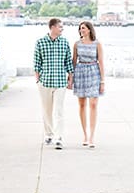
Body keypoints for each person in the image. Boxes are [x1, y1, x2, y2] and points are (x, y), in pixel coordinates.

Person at [34, 18, 74, 150]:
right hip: (45, 82)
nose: (62, 29)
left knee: (59, 110)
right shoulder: (40, 42)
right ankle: (49, 134)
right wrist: (37, 80)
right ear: (52, 27)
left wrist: (70, 79)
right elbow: (37, 62)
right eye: (60, 27)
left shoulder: (64, 42)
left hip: (60, 82)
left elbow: (68, 61)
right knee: (47, 110)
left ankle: (58, 137)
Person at [72, 21, 105, 148]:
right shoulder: (76, 44)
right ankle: (85, 135)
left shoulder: (97, 44)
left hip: (94, 72)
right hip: (80, 73)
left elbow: (101, 63)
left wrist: (102, 81)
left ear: (90, 30)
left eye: (84, 28)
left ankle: (92, 136)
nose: (81, 30)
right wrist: (70, 79)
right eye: (80, 29)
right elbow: (74, 62)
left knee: (93, 104)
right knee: (81, 104)